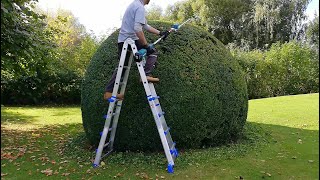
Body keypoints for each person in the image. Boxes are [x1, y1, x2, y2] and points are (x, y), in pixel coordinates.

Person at [104, 0, 169, 100]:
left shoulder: (135, 5)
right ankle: (146, 75)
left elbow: (145, 26)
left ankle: (108, 92)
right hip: (130, 40)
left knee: (122, 67)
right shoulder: (139, 7)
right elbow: (138, 29)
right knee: (153, 52)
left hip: (123, 40)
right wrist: (146, 45)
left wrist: (160, 33)